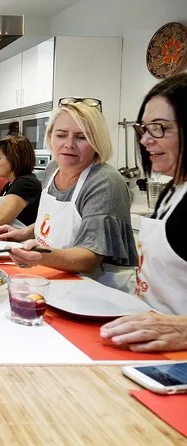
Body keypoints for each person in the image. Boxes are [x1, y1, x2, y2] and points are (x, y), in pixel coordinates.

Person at [0, 98, 138, 292]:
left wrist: (40, 255)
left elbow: (89, 258)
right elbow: (58, 221)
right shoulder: (54, 168)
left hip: (94, 290)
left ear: (97, 141)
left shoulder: (104, 182)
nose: (69, 144)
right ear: (50, 137)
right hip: (54, 278)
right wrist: (23, 233)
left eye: (81, 137)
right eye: (61, 135)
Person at [100, 73, 187, 352]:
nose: (146, 140)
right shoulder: (172, 190)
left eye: (160, 128)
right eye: (145, 129)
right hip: (153, 345)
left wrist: (183, 329)